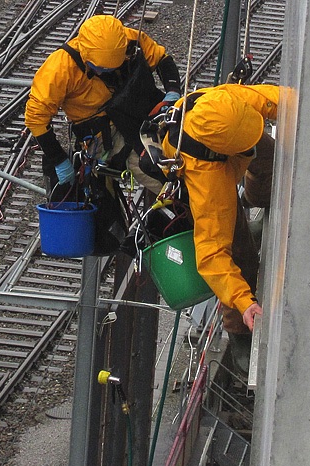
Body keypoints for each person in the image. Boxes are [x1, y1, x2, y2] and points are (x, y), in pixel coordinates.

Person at [148, 83, 279, 372]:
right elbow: (212, 256)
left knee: (269, 157)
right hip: (210, 165)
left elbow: (268, 98)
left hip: (233, 133)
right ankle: (239, 331)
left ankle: (255, 196)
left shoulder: (227, 102)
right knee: (238, 252)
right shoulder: (208, 183)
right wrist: (245, 302)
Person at [24, 15, 182, 199]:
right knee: (144, 164)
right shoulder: (60, 69)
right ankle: (178, 200)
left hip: (141, 113)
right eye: (98, 69)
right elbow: (36, 117)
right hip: (104, 131)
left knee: (181, 145)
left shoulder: (129, 40)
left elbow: (161, 58)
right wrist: (59, 159)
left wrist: (173, 93)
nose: (102, 73)